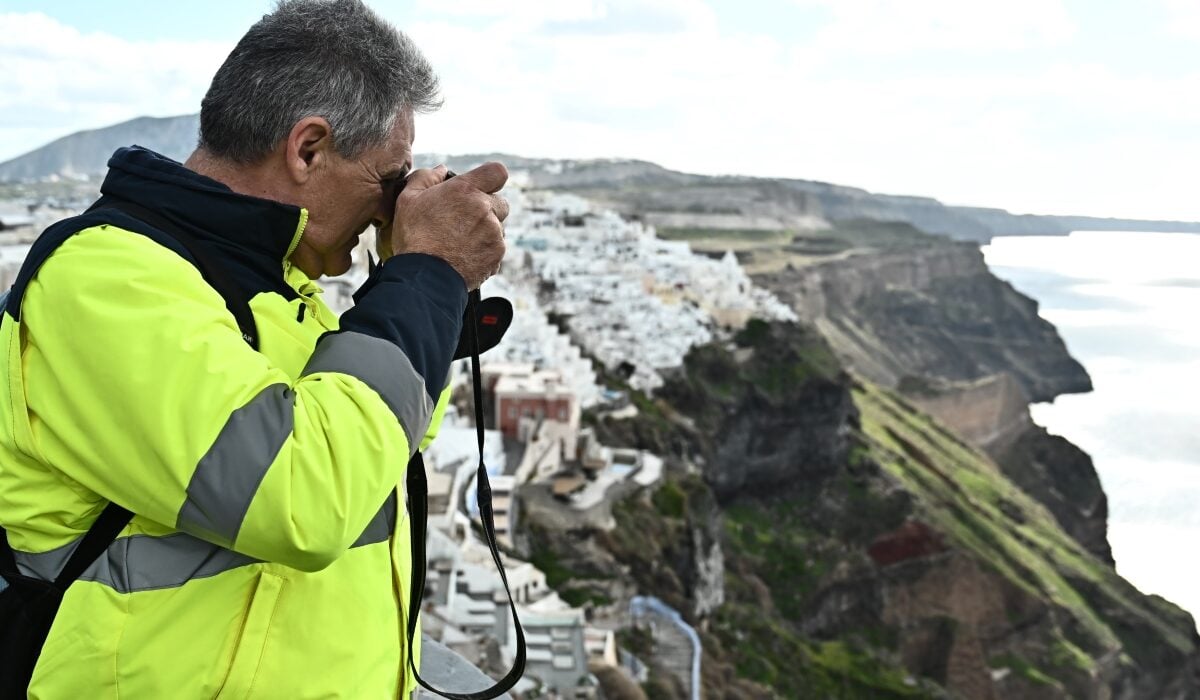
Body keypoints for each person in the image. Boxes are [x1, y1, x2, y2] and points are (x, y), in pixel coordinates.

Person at [0, 0, 506, 696]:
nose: (391, 206)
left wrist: (415, 289)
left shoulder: (276, 292)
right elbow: (305, 498)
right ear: (308, 149)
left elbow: (375, 456)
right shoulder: (106, 281)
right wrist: (427, 274)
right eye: (390, 180)